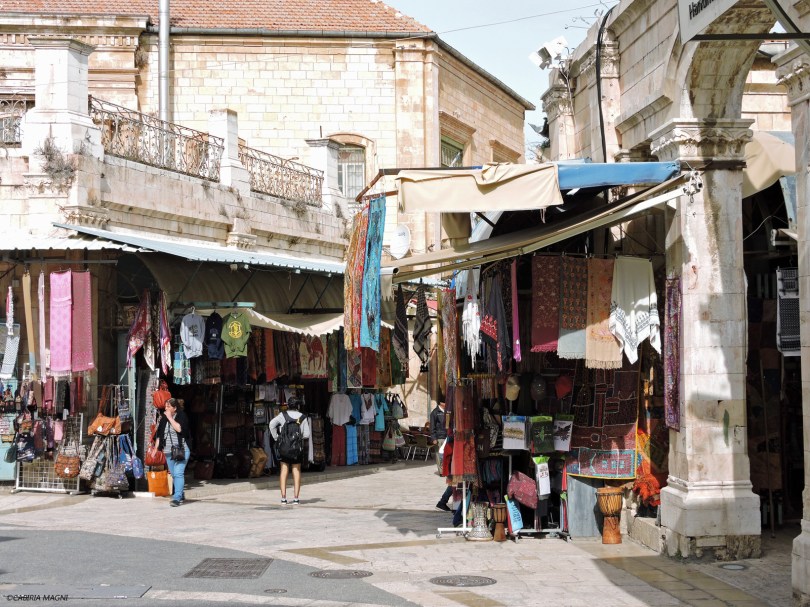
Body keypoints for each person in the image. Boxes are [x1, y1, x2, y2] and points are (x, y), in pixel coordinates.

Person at [269, 398, 311, 505]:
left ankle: (283, 498)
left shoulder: (282, 415)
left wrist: (276, 437)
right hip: (297, 448)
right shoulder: (302, 417)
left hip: (284, 448)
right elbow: (306, 435)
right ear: (298, 406)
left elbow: (271, 424)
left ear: (288, 405)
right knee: (296, 471)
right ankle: (296, 498)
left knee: (284, 471)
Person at [156, 397, 191, 507]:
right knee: (174, 474)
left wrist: (170, 418)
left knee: (178, 473)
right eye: (165, 406)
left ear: (174, 408)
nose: (166, 408)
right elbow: (159, 434)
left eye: (168, 407)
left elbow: (180, 429)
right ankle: (180, 493)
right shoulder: (163, 418)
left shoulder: (181, 416)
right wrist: (155, 449)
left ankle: (176, 498)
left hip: (181, 449)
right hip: (168, 451)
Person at [430, 401, 452, 512]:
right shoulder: (435, 412)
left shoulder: (447, 411)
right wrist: (433, 438)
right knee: (440, 456)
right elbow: (432, 426)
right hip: (439, 437)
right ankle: (442, 471)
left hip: (447, 436)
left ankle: (443, 501)